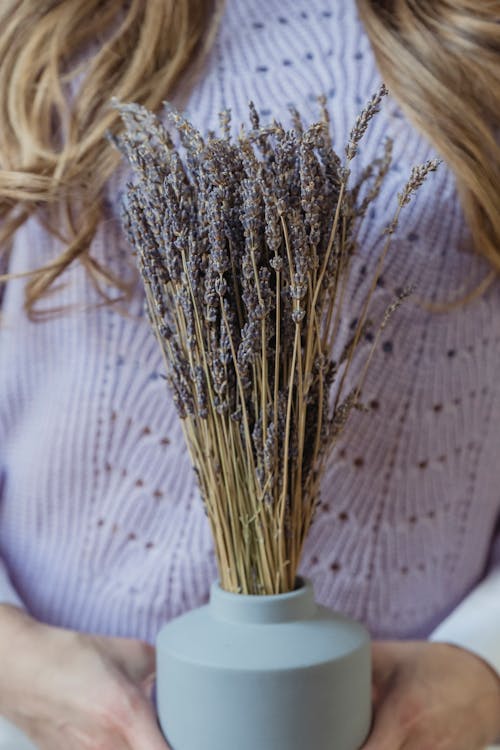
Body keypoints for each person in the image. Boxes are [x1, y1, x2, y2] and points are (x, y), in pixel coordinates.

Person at [0, 1, 499, 749]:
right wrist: (13, 660)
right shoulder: (47, 21)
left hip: (406, 725)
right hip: (44, 714)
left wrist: (483, 666)